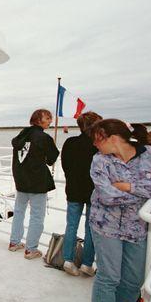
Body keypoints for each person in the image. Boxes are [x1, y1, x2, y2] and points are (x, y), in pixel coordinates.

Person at [88, 119, 151, 302]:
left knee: (133, 282)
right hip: (104, 226)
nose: (94, 144)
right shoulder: (99, 160)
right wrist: (143, 190)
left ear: (114, 138)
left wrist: (128, 187)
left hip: (137, 228)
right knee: (108, 278)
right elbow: (107, 197)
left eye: (97, 139)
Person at [9, 109, 59, 259]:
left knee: (18, 212)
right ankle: (31, 249)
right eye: (48, 118)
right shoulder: (44, 138)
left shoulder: (22, 135)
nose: (51, 120)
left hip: (21, 180)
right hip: (37, 182)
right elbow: (51, 159)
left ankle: (14, 242)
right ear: (38, 119)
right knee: (37, 216)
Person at [60, 111, 102, 276]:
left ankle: (68, 260)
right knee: (91, 229)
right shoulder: (98, 145)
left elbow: (65, 165)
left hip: (73, 189)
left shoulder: (70, 142)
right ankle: (86, 263)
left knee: (71, 226)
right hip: (94, 192)